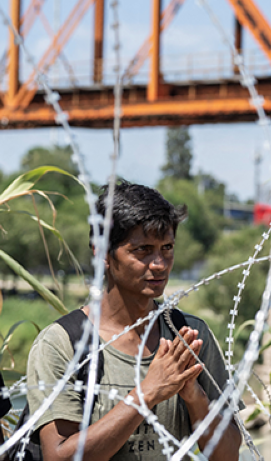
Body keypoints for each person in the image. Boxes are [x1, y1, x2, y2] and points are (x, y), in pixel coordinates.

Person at [23, 181, 242, 461]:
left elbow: (227, 456)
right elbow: (60, 457)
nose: (159, 264)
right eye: (142, 250)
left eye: (167, 248)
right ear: (102, 253)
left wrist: (194, 396)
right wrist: (147, 393)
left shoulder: (188, 337)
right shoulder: (63, 344)